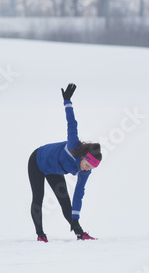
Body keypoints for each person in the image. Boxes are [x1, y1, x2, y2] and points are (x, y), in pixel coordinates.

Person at [28, 83, 102, 242]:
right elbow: (72, 123)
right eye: (87, 165)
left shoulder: (85, 171)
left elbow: (79, 194)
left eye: (90, 168)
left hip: (54, 171)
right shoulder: (73, 145)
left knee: (65, 201)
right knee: (38, 197)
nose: (86, 169)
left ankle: (79, 233)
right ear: (84, 157)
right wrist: (67, 101)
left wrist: (75, 218)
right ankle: (40, 235)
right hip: (37, 160)